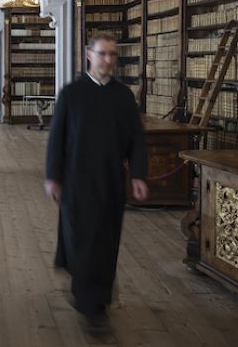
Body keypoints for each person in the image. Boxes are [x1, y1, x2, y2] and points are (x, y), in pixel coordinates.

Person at [44, 32, 148, 328]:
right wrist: (53, 176)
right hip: (76, 179)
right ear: (89, 55)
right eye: (102, 54)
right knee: (80, 238)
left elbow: (137, 139)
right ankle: (88, 298)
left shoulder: (123, 96)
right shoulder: (71, 93)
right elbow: (56, 138)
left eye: (113, 55)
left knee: (106, 240)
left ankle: (96, 302)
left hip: (111, 180)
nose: (108, 60)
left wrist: (138, 175)